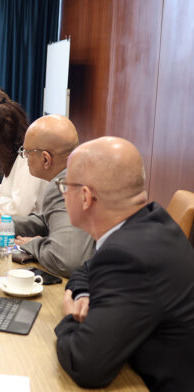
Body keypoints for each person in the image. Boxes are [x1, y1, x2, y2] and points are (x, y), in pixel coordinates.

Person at [55, 136, 194, 390]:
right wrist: (83, 293)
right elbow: (87, 269)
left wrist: (69, 317)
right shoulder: (150, 221)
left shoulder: (128, 257)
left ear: (85, 197)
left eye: (65, 186)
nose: (63, 193)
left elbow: (85, 365)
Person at [0, 115, 95, 276]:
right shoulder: (78, 172)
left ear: (46, 159)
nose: (24, 157)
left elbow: (66, 260)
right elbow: (47, 219)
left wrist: (33, 243)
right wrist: (7, 224)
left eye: (26, 152)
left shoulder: (65, 185)